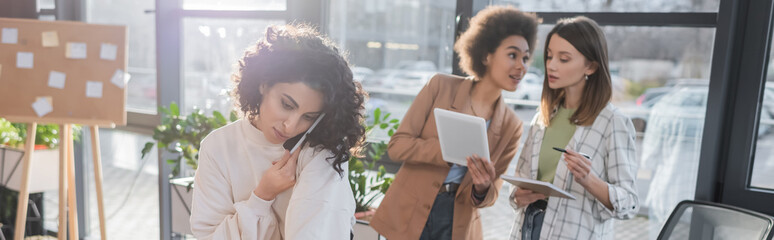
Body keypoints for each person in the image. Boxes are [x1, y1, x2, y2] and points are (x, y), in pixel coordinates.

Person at [370, 6, 539, 240]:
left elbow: (492, 196)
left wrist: (482, 188)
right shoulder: (440, 87)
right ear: (486, 55)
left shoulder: (512, 126)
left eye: (526, 58)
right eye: (512, 55)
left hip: (457, 219)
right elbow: (398, 146)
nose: (522, 66)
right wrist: (448, 151)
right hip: (409, 210)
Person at [189, 23, 366, 240]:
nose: (291, 126)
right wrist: (262, 196)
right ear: (264, 84)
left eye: (308, 117)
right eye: (287, 105)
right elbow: (209, 236)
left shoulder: (322, 151)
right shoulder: (218, 147)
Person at [508, 16, 639, 240]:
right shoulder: (543, 117)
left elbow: (630, 204)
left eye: (564, 59)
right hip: (528, 229)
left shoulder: (612, 122)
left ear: (591, 66)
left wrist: (590, 180)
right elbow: (519, 183)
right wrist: (518, 196)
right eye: (549, 56)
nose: (551, 65)